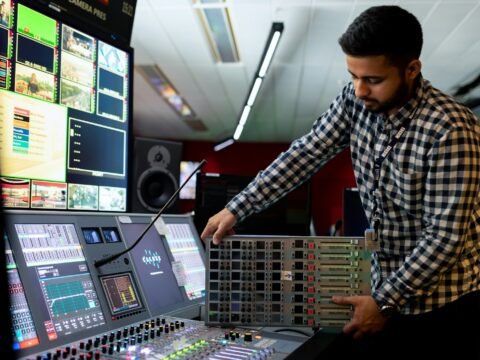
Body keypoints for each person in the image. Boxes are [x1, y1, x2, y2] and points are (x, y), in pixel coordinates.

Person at [201, 5, 480, 359]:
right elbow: (305, 154)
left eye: (373, 80)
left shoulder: (452, 128)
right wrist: (238, 207)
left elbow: (444, 238)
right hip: (386, 290)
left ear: (411, 70)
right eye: (353, 76)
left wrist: (382, 301)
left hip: (443, 307)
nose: (360, 90)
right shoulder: (356, 101)